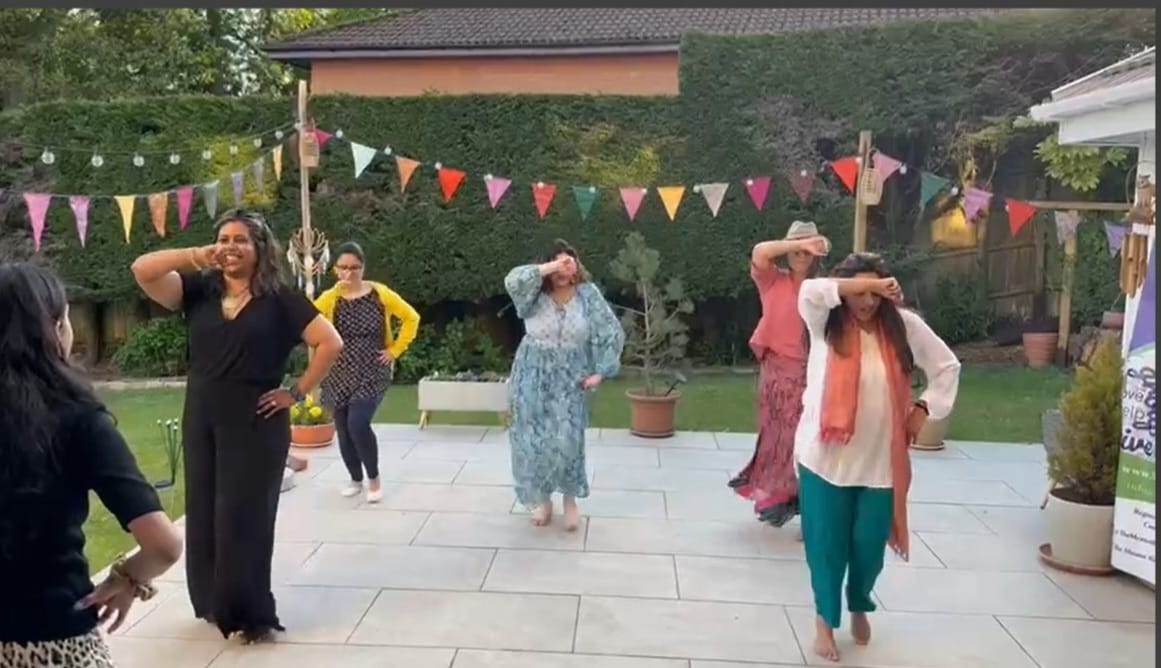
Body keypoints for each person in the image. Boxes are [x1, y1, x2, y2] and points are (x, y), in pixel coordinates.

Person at [130, 209, 342, 643]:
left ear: (260, 247)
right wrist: (196, 254)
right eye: (223, 238)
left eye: (240, 239)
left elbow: (329, 342)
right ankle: (213, 601)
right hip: (203, 414)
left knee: (243, 514)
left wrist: (296, 392)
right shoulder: (199, 290)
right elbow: (143, 269)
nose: (230, 246)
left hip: (256, 419)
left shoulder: (280, 298)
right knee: (206, 509)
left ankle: (248, 611)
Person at [0, 263, 183, 667]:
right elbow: (163, 545)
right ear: (54, 328)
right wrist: (128, 579)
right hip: (53, 639)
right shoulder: (78, 420)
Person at [794, 253, 960, 662]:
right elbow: (809, 290)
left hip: (881, 462)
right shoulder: (824, 322)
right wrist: (855, 286)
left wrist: (923, 409)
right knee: (827, 547)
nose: (866, 302)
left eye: (875, 293)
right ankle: (824, 622)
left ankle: (860, 602)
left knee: (868, 547)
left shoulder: (902, 326)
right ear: (844, 290)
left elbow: (947, 367)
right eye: (858, 293)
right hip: (825, 461)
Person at [504, 240, 625, 530]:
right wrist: (550, 267)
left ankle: (570, 499)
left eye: (568, 263)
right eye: (557, 265)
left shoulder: (587, 295)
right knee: (533, 440)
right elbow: (513, 279)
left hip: (571, 377)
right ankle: (543, 500)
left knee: (567, 440)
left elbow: (611, 331)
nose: (563, 270)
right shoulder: (531, 294)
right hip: (531, 375)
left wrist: (601, 371)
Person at [729, 221, 829, 527]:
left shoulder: (821, 287)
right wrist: (799, 243)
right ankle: (783, 496)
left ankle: (802, 499)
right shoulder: (773, 281)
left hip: (813, 371)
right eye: (796, 247)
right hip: (777, 370)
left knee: (808, 438)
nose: (801, 252)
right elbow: (760, 252)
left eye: (807, 248)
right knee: (778, 435)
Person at [313, 241, 420, 503]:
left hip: (373, 368)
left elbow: (411, 318)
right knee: (343, 427)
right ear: (335, 269)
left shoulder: (380, 293)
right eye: (343, 268)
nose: (349, 274)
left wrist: (394, 351)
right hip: (338, 370)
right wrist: (332, 292)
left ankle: (374, 479)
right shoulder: (332, 298)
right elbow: (310, 316)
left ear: (363, 268)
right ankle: (355, 479)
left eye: (354, 268)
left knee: (358, 424)